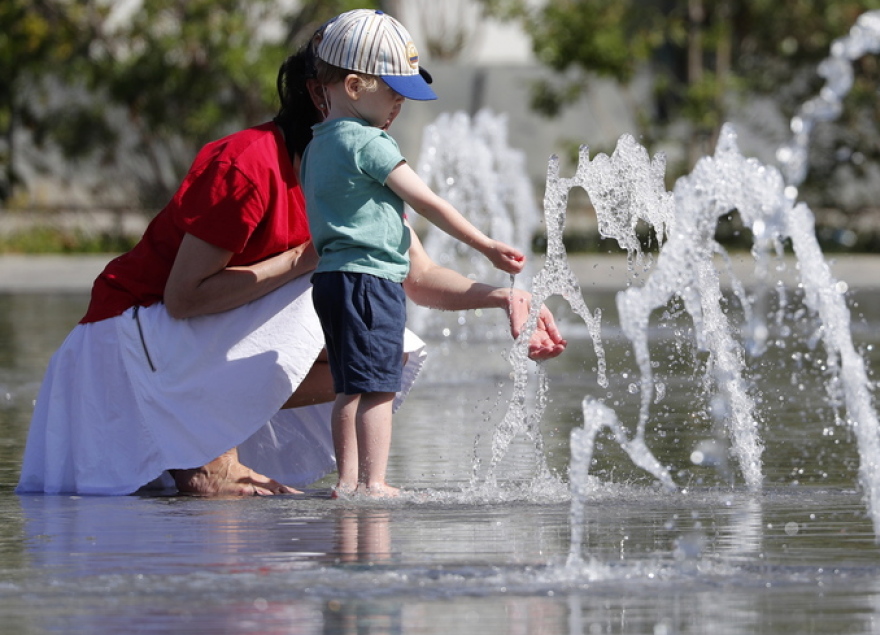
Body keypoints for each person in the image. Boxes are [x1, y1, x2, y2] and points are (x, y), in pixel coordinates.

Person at [14, 12, 566, 498]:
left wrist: (505, 297)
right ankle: (206, 453)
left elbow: (416, 277)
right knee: (326, 286)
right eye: (388, 88)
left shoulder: (362, 172)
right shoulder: (248, 164)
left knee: (383, 347)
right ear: (334, 89)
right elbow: (182, 299)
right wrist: (301, 260)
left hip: (185, 352)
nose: (397, 105)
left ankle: (219, 445)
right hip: (121, 348)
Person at [301, 10, 525, 498]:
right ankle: (374, 482)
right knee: (380, 384)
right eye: (393, 90)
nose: (400, 102)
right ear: (355, 86)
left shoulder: (317, 146)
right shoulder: (370, 142)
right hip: (370, 281)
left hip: (333, 279)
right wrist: (485, 245)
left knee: (348, 386)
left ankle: (346, 481)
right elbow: (427, 201)